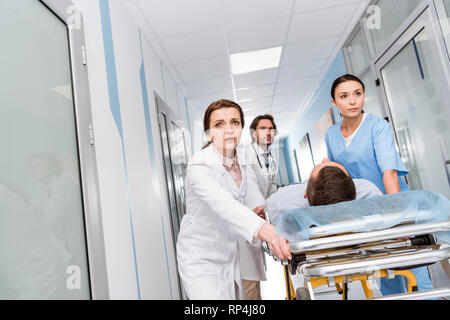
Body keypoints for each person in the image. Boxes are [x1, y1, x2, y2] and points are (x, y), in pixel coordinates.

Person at [325, 74, 433, 296]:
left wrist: (399, 218)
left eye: (358, 94)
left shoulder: (377, 127)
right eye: (344, 96)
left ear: (364, 96)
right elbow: (338, 176)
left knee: (415, 270)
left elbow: (389, 172)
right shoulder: (331, 135)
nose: (353, 101)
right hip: (366, 212)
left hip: (395, 202)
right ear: (334, 103)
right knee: (386, 270)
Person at [176, 99, 291, 300]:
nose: (228, 129)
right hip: (202, 256)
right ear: (209, 134)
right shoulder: (199, 166)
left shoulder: (243, 161)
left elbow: (247, 200)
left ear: (241, 128)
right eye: (219, 124)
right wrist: (269, 233)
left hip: (230, 253)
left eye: (234, 122)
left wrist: (256, 212)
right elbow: (224, 205)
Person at [238, 114, 279, 300]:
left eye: (271, 129)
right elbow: (251, 188)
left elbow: (272, 192)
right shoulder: (245, 155)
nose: (268, 132)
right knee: (248, 286)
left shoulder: (270, 158)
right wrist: (262, 209)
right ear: (254, 133)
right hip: (247, 224)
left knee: (253, 285)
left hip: (258, 221)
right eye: (263, 128)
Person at [266, 159, 383, 224]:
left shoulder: (279, 202)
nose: (325, 159)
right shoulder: (368, 190)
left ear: (305, 192)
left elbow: (269, 209)